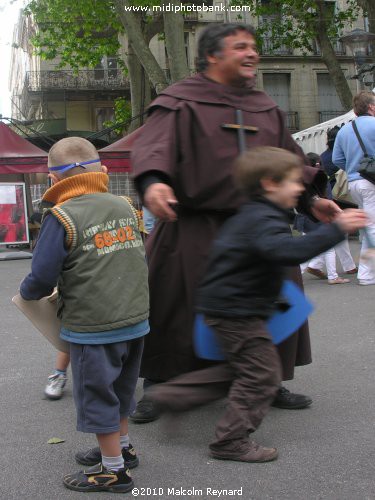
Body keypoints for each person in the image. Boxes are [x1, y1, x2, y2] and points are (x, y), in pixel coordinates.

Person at [131, 22, 340, 422]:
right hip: (193, 225)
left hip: (263, 224)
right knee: (174, 304)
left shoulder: (265, 106)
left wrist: (312, 200)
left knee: (273, 300)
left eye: (253, 46)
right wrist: (154, 182)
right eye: (240, 47)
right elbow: (154, 146)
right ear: (213, 55)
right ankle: (160, 383)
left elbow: (292, 160)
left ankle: (266, 376)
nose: (252, 53)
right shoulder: (180, 101)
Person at [147, 146, 367, 462]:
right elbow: (286, 252)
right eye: (293, 181)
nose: (300, 188)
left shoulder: (256, 213)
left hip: (230, 306)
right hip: (237, 311)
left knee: (241, 369)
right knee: (262, 374)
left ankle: (174, 395)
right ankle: (230, 441)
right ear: (269, 183)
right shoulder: (263, 218)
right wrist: (337, 230)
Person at [20, 137, 149, 494]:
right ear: (101, 172)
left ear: (53, 180)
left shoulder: (61, 216)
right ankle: (123, 449)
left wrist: (29, 294)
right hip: (136, 319)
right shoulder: (125, 204)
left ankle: (112, 472)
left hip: (94, 326)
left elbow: (42, 276)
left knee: (96, 396)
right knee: (122, 389)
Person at [333, 90, 375, 285]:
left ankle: (366, 274)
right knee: (372, 228)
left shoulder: (343, 130)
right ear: (371, 107)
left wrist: (354, 169)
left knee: (368, 228)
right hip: (372, 182)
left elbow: (336, 159)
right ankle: (366, 274)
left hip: (354, 182)